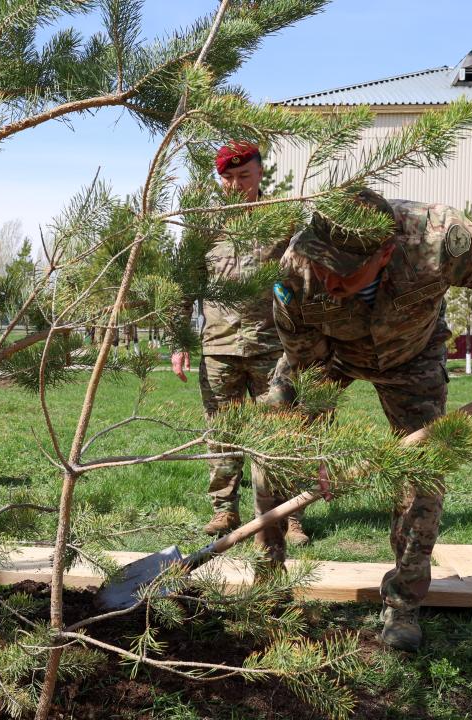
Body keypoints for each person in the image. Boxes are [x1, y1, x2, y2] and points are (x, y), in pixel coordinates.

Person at [263, 188, 472, 652]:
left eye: (344, 270)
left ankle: (403, 604)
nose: (329, 280)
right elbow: (305, 364)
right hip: (328, 356)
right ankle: (268, 584)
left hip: (411, 356)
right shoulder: (296, 271)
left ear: (385, 252)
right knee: (271, 450)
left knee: (423, 477)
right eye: (323, 265)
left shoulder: (439, 240)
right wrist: (311, 440)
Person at [169, 141, 305, 563]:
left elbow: (305, 278)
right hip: (219, 346)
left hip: (273, 346)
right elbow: (185, 286)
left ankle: (289, 516)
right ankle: (224, 510)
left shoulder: (284, 219)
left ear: (260, 173)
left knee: (280, 434)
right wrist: (179, 341)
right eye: (227, 178)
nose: (235, 185)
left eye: (243, 176)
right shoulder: (205, 225)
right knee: (222, 433)